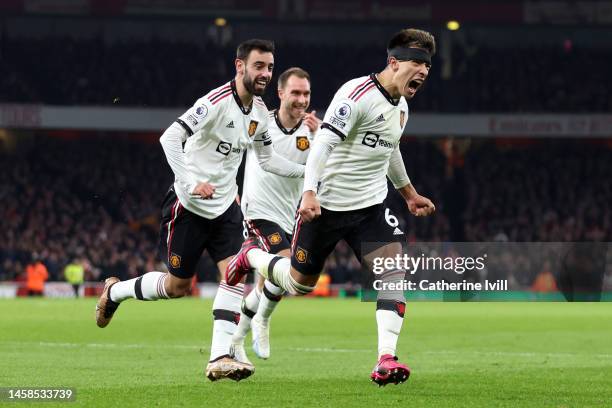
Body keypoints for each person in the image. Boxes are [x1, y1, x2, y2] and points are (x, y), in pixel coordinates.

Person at [226, 28, 437, 386]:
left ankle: (386, 358)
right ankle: (251, 257)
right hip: (327, 207)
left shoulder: (401, 107)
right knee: (298, 284)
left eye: (428, 66)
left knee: (393, 272)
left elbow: (391, 150)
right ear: (393, 62)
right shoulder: (356, 96)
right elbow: (322, 145)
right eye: (417, 62)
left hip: (370, 208)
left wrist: (409, 194)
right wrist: (309, 193)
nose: (423, 71)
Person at [95, 39, 305, 382]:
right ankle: (114, 291)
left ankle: (219, 356)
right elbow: (170, 138)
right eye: (259, 66)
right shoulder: (215, 103)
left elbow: (268, 159)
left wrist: (308, 171)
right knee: (178, 287)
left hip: (225, 209)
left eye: (269, 67)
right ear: (239, 66)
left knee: (234, 272)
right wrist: (190, 182)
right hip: (188, 208)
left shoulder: (260, 113)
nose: (266, 73)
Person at [230, 67, 319, 363]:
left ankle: (237, 338)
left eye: (305, 93)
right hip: (257, 210)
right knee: (284, 264)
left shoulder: (313, 131)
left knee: (276, 280)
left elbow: (326, 171)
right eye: (295, 92)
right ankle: (262, 321)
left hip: (291, 215)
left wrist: (320, 140)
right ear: (280, 93)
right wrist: (229, 187)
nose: (301, 99)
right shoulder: (260, 122)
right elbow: (237, 154)